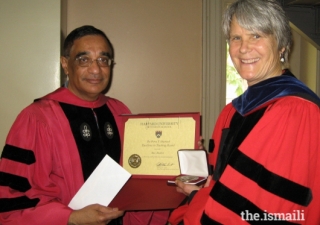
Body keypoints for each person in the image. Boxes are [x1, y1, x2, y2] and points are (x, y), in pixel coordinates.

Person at [168, 0, 320, 224]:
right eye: (236, 37)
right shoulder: (231, 111)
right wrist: (199, 165)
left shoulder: (295, 111)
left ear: (282, 46)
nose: (244, 48)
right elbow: (223, 181)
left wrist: (196, 197)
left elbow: (268, 209)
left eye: (256, 36)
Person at [0, 25, 169, 225]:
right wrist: (72, 218)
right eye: (84, 59)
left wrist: (177, 158)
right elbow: (13, 197)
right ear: (65, 64)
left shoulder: (119, 111)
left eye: (103, 60)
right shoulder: (36, 118)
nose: (96, 69)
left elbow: (140, 174)